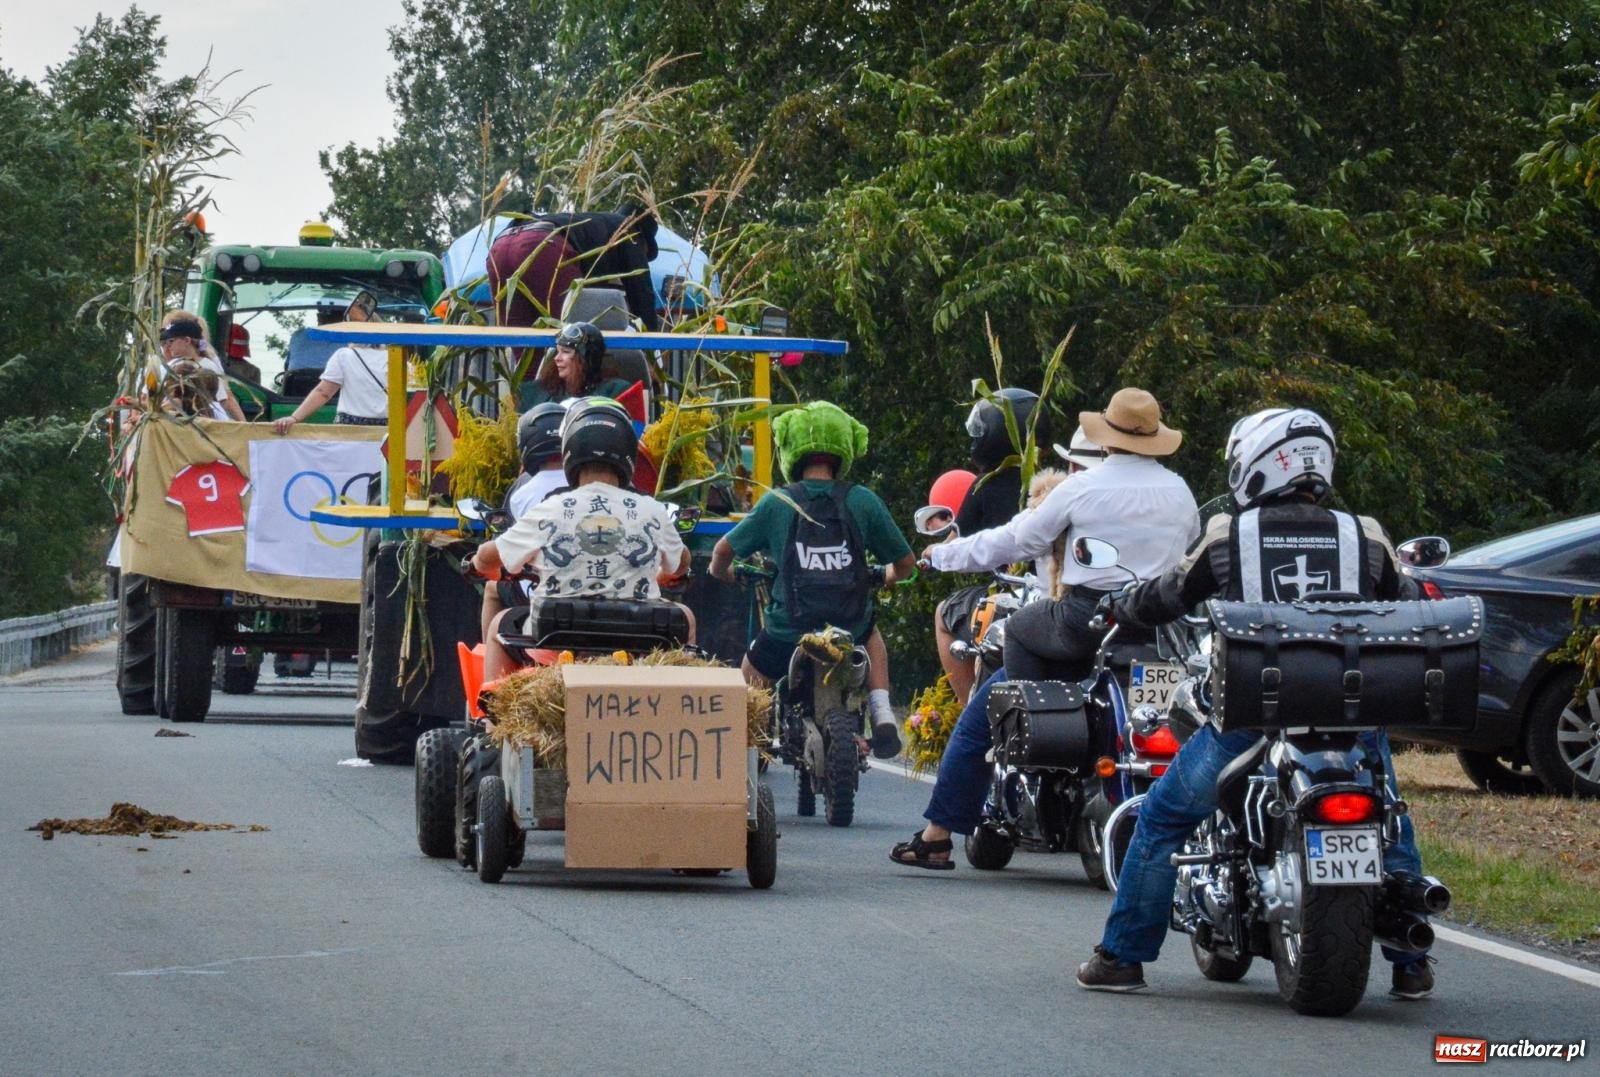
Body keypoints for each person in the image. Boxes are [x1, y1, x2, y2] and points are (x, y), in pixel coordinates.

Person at [1075, 406, 1437, 1002]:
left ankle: (1122, 958)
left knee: (1162, 820)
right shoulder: (1365, 534)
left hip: (1249, 720)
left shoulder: (1229, 536)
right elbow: (1407, 599)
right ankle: (1410, 962)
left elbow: (1168, 594)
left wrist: (1121, 607)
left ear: (1258, 465)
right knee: (1390, 819)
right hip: (1349, 720)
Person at [890, 387, 1197, 870]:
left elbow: (1014, 540)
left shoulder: (1083, 489)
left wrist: (941, 555)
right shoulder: (1179, 491)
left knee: (1009, 650)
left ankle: (1027, 729)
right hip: (1158, 630)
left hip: (1083, 623)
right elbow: (1189, 554)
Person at [708, 400, 917, 758]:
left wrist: (724, 574)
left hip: (788, 630)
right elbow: (906, 563)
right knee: (874, 638)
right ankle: (882, 715)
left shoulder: (777, 503)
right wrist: (885, 576)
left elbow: (722, 553)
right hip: (850, 627)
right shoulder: (862, 501)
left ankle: (746, 749)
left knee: (749, 675)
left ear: (790, 451)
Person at [471, 398, 692, 682]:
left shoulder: (551, 508)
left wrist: (478, 563)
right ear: (628, 454)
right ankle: (683, 702)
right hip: (638, 638)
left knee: (500, 624)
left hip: (557, 638)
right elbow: (680, 564)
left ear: (569, 452)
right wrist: (662, 574)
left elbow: (490, 556)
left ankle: (493, 722)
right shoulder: (651, 509)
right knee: (685, 615)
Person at [932, 389, 1050, 701]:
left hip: (1011, 596)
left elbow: (959, 542)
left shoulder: (985, 484)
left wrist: (933, 554)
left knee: (944, 613)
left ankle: (967, 711)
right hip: (1057, 599)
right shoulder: (1055, 481)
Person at [478, 402, 571, 640]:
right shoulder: (598, 489)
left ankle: (491, 662)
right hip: (604, 597)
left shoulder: (524, 493)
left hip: (543, 599)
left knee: (492, 590)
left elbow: (511, 560)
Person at [272, 295, 388, 431]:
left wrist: (294, 418)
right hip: (386, 429)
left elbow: (323, 392)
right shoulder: (396, 359)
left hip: (350, 429)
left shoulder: (344, 356)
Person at [153, 312, 246, 422]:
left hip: (201, 421)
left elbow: (223, 399)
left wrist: (244, 426)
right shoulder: (169, 366)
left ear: (187, 341)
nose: (168, 346)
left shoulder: (208, 365)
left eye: (171, 341)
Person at [521, 321, 635, 407]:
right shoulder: (537, 392)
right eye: (558, 351)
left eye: (566, 352)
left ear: (587, 359)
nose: (557, 358)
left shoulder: (616, 391)